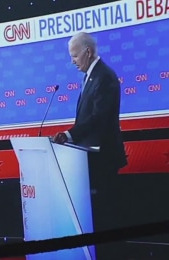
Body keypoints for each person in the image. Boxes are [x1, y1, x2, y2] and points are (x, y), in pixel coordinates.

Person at [53, 32, 127, 227]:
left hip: (103, 158)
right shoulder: (90, 76)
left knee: (105, 216)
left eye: (75, 56)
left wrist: (69, 135)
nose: (72, 61)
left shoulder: (104, 76)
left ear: (88, 51)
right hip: (90, 157)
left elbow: (98, 118)